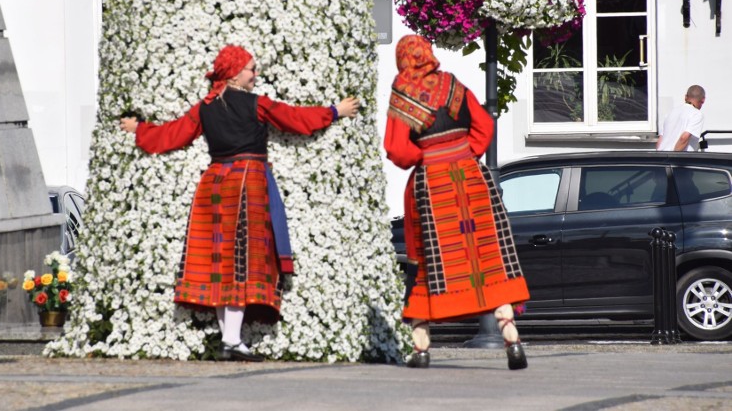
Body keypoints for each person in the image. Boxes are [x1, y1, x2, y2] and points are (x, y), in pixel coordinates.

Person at [119, 45, 359, 362]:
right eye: (251, 69)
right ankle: (231, 341)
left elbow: (172, 133)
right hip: (248, 183)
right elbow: (294, 118)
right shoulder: (255, 103)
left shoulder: (204, 108)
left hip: (215, 184)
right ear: (235, 73)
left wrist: (140, 130)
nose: (255, 74)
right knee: (242, 264)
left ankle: (229, 339)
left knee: (221, 263)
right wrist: (334, 111)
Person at [383, 35, 530, 370]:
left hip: (433, 184)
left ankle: (421, 349)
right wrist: (466, 153)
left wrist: (425, 156)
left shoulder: (402, 92)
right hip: (471, 179)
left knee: (430, 260)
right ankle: (513, 339)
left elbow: (395, 148)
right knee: (486, 258)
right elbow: (484, 125)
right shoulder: (453, 84)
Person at [656, 85, 706, 151]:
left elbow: (660, 140)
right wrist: (674, 157)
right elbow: (684, 138)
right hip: (678, 158)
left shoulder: (670, 112)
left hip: (661, 157)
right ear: (703, 100)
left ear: (685, 97)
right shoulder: (696, 114)